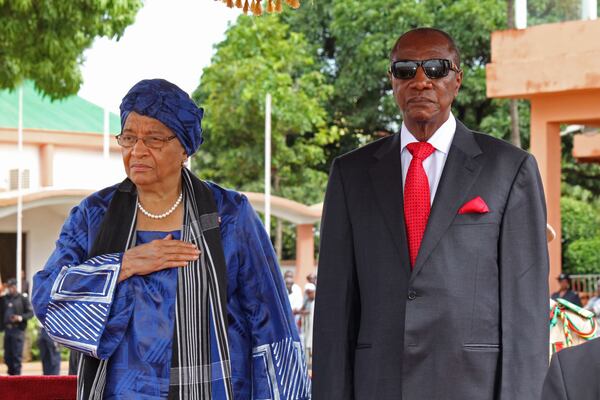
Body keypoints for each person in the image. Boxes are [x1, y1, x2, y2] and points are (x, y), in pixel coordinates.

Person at [31, 79, 310, 399]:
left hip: (215, 389)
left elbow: (271, 323)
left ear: (184, 148)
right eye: (129, 137)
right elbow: (46, 297)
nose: (137, 151)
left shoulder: (229, 215)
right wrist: (125, 264)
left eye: (153, 139)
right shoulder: (94, 215)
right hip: (120, 392)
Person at [312, 27, 549, 400]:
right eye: (405, 69)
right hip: (378, 386)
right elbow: (333, 310)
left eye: (436, 68)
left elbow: (527, 310)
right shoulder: (350, 174)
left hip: (473, 386)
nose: (421, 81)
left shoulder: (509, 168)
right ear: (392, 80)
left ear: (457, 79)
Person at [0, 278, 33, 375]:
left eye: (12, 287)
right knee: (7, 357)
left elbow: (30, 313)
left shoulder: (22, 298)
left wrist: (19, 318)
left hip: (18, 330)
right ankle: (11, 378)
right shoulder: (4, 299)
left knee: (16, 357)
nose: (11, 289)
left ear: (15, 287)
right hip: (7, 330)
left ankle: (17, 379)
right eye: (9, 287)